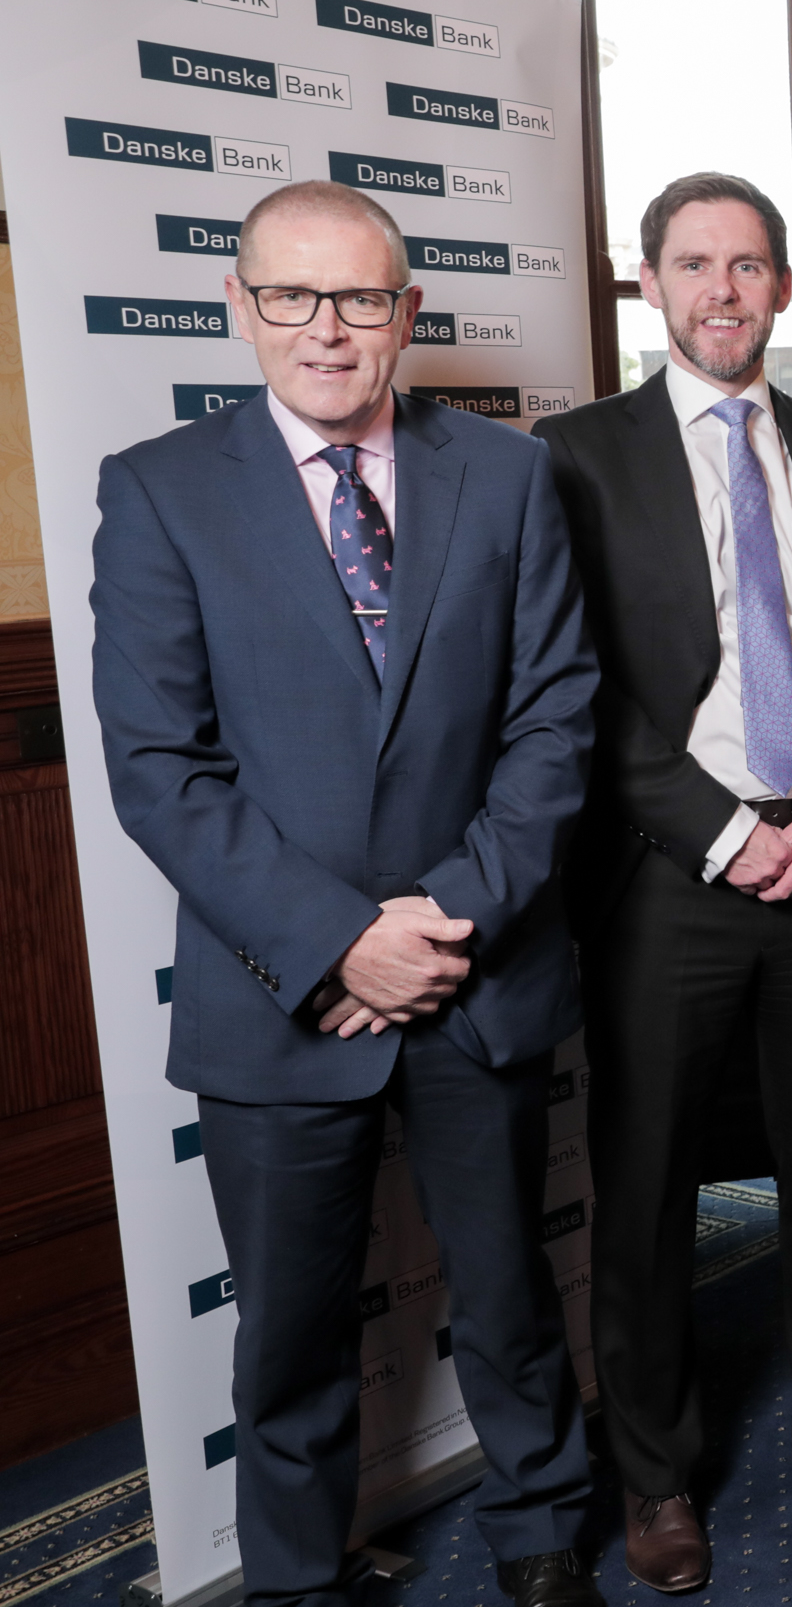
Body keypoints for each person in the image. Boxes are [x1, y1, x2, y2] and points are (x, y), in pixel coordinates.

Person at [91, 180, 604, 1607]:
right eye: (293, 297)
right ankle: (298, 1582)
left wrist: (443, 918)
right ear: (242, 307)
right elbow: (160, 771)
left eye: (362, 298)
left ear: (407, 315)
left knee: (510, 1300)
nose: (329, 329)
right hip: (279, 1000)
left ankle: (545, 1530)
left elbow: (555, 719)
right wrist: (336, 944)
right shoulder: (158, 490)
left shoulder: (506, 477)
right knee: (296, 1335)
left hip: (475, 967)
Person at [536, 173, 792, 1596]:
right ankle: (655, 1473)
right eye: (694, 264)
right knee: (645, 1184)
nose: (724, 289)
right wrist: (721, 830)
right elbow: (570, 690)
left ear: (783, 287)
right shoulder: (573, 457)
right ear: (649, 284)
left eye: (749, 264)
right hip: (668, 874)